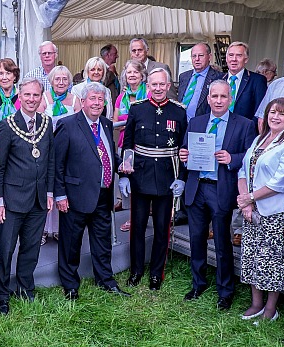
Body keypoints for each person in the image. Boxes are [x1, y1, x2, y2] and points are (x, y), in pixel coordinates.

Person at [178, 80, 256, 311]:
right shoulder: (196, 122)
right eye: (215, 96)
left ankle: (225, 291)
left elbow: (251, 156)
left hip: (220, 188)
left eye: (223, 96)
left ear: (230, 99)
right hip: (197, 187)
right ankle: (198, 284)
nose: (219, 100)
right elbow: (186, 149)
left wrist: (233, 159)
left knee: (222, 243)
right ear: (209, 98)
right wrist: (184, 155)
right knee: (196, 239)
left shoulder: (244, 124)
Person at [55, 82, 130, 300]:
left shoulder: (106, 124)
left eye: (101, 99)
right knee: (71, 244)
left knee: (102, 242)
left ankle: (106, 280)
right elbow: (57, 163)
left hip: (103, 194)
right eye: (93, 99)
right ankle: (70, 285)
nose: (97, 103)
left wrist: (121, 166)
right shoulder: (67, 125)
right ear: (83, 102)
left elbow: (105, 155)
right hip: (75, 196)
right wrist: (60, 194)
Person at [235, 97, 284, 322]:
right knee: (253, 257)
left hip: (274, 212)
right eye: (272, 112)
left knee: (273, 261)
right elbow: (243, 171)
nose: (275, 117)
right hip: (252, 211)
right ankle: (256, 303)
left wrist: (249, 198)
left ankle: (270, 309)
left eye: (281, 114)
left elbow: (280, 182)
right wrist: (247, 202)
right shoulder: (260, 139)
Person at [120, 68, 187, 291]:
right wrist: (125, 175)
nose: (158, 88)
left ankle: (157, 274)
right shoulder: (137, 109)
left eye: (162, 84)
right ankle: (136, 271)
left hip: (167, 177)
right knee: (137, 227)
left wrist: (183, 178)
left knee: (161, 228)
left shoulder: (179, 112)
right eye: (154, 85)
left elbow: (183, 148)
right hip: (140, 175)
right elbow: (127, 143)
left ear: (169, 86)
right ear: (148, 86)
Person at [0, 77, 54, 315]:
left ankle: (25, 289)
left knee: (31, 248)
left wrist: (49, 191)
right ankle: (1, 295)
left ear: (41, 97)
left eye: (36, 95)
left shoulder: (46, 123)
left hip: (39, 199)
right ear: (19, 95)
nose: (31, 99)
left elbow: (50, 159)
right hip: (11, 201)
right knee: (5, 250)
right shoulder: (7, 125)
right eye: (27, 95)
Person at [37, 65, 81, 244]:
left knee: (62, 188)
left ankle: (56, 229)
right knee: (45, 188)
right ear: (51, 81)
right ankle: (41, 230)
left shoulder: (75, 99)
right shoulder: (44, 99)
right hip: (47, 149)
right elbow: (38, 123)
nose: (61, 82)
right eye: (57, 79)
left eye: (64, 79)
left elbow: (79, 126)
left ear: (69, 82)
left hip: (68, 151)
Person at [113, 59, 147, 232]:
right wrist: (130, 123)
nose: (132, 75)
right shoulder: (121, 97)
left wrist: (129, 123)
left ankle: (141, 217)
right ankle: (133, 218)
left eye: (135, 72)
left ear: (142, 75)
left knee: (143, 183)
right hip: (125, 145)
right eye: (129, 72)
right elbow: (114, 121)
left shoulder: (148, 95)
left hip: (143, 145)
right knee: (130, 182)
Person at [222, 42, 267, 125]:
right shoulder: (218, 79)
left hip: (245, 131)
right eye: (231, 55)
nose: (234, 59)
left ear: (246, 59)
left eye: (239, 55)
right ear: (226, 58)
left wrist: (247, 130)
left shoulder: (257, 80)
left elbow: (260, 111)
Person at [178, 43, 224, 121]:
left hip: (202, 125)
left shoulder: (219, 77)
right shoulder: (183, 76)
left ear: (209, 57)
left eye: (201, 55)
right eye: (194, 56)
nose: (197, 59)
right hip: (181, 124)